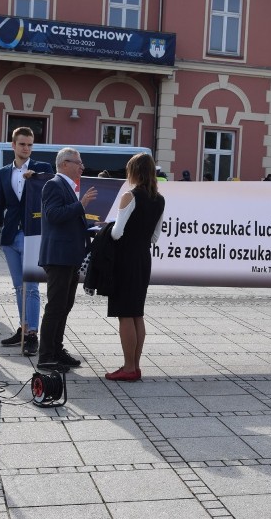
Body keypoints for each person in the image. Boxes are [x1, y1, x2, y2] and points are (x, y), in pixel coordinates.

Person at [0, 128, 53, 355]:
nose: (26, 149)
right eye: (22, 144)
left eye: (30, 145)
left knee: (32, 288)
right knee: (18, 286)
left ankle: (32, 334)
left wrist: (36, 179)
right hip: (10, 236)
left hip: (33, 236)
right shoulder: (2, 173)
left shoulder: (42, 168)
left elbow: (50, 193)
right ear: (13, 145)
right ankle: (23, 328)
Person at [104, 153, 166, 381]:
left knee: (125, 314)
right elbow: (155, 237)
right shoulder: (159, 199)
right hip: (143, 257)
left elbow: (117, 233)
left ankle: (128, 367)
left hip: (125, 258)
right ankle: (135, 365)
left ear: (135, 172)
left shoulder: (129, 196)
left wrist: (106, 228)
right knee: (137, 313)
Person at [37, 148, 97, 371]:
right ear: (64, 164)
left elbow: (69, 219)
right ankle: (46, 356)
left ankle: (56, 349)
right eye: (78, 163)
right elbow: (54, 215)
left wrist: (90, 229)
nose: (82, 167)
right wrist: (81, 205)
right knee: (56, 307)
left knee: (64, 306)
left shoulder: (67, 187)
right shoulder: (54, 184)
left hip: (69, 256)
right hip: (59, 257)